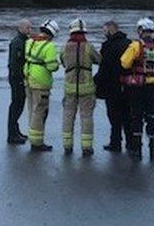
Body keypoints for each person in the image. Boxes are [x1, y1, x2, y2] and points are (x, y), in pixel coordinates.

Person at [120, 17, 154, 161]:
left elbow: (124, 63)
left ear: (140, 30)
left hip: (137, 86)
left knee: (136, 117)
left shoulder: (135, 46)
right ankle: (153, 150)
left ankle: (137, 150)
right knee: (153, 117)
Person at [60, 19, 102, 156]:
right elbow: (99, 60)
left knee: (68, 116)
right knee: (86, 117)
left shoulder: (65, 47)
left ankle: (67, 146)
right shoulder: (89, 46)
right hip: (87, 87)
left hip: (70, 87)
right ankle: (87, 147)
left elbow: (62, 62)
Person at [24, 19, 60, 152]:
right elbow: (52, 66)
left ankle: (33, 138)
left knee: (32, 110)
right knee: (40, 112)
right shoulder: (49, 46)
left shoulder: (29, 41)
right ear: (51, 34)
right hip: (41, 82)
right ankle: (37, 143)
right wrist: (57, 65)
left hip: (28, 78)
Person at [95, 21, 131, 152]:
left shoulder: (108, 46)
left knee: (114, 116)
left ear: (110, 31)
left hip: (112, 86)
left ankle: (115, 143)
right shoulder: (129, 43)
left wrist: (96, 82)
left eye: (104, 31)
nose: (103, 34)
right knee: (128, 115)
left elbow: (104, 68)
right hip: (128, 85)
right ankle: (131, 143)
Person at [7, 19, 33, 144]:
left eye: (30, 28)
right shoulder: (17, 42)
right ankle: (12, 134)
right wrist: (20, 78)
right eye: (27, 28)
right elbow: (15, 63)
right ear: (21, 28)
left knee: (19, 105)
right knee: (16, 105)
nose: (30, 30)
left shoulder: (24, 41)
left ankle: (15, 131)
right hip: (17, 78)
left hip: (18, 77)